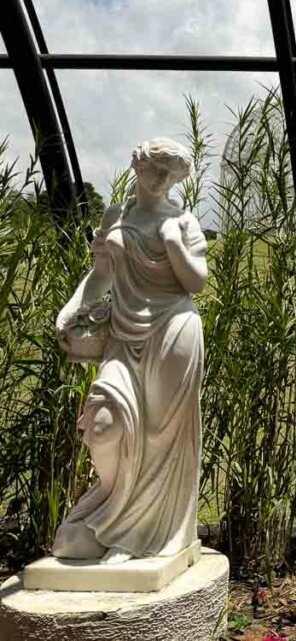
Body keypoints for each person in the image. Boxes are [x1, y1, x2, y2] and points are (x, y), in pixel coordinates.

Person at [53, 138, 207, 565]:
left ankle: (141, 538)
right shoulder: (115, 216)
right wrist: (71, 309)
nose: (162, 180)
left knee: (160, 437)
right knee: (103, 424)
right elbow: (100, 274)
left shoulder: (184, 222)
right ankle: (111, 512)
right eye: (156, 169)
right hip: (122, 334)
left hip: (174, 332)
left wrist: (174, 244)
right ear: (137, 166)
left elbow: (196, 283)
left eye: (171, 174)